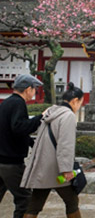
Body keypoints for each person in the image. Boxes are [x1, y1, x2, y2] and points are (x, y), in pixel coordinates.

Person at [22, 82, 84, 218]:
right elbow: (65, 145)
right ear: (75, 101)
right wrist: (66, 169)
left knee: (35, 204)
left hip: (42, 166)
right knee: (72, 202)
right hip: (57, 169)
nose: (79, 106)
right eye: (80, 103)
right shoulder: (68, 116)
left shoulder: (50, 112)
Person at [0, 74, 44, 218]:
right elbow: (19, 127)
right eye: (34, 89)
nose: (34, 92)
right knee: (25, 199)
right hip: (11, 162)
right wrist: (40, 118)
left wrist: (31, 142)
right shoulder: (18, 103)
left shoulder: (6, 103)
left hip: (2, 158)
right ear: (28, 89)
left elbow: (11, 129)